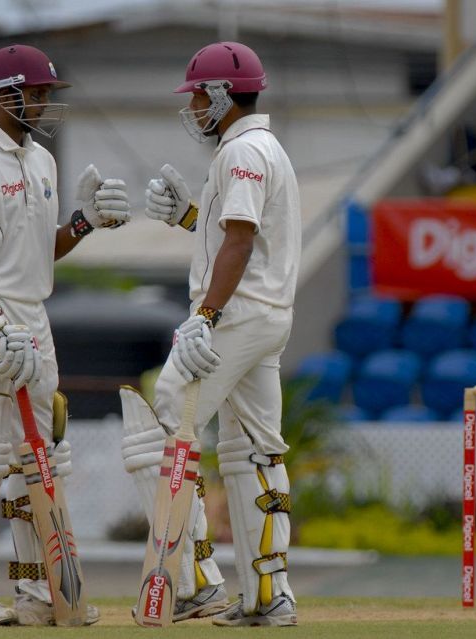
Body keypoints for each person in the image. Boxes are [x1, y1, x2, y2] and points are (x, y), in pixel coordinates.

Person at [0, 44, 130, 627]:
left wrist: (84, 222)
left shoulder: (41, 160)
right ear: (1, 94)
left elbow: (41, 252)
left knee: (40, 461)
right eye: (35, 92)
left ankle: (40, 593)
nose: (44, 102)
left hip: (33, 319)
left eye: (47, 93)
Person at [120, 41, 299, 627]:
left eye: (199, 93)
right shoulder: (261, 148)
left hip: (239, 314)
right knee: (252, 449)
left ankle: (195, 580)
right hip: (265, 315)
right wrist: (189, 218)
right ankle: (266, 596)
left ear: (223, 94)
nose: (194, 104)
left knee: (167, 412)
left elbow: (243, 241)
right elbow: (237, 233)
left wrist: (205, 316)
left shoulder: (242, 152)